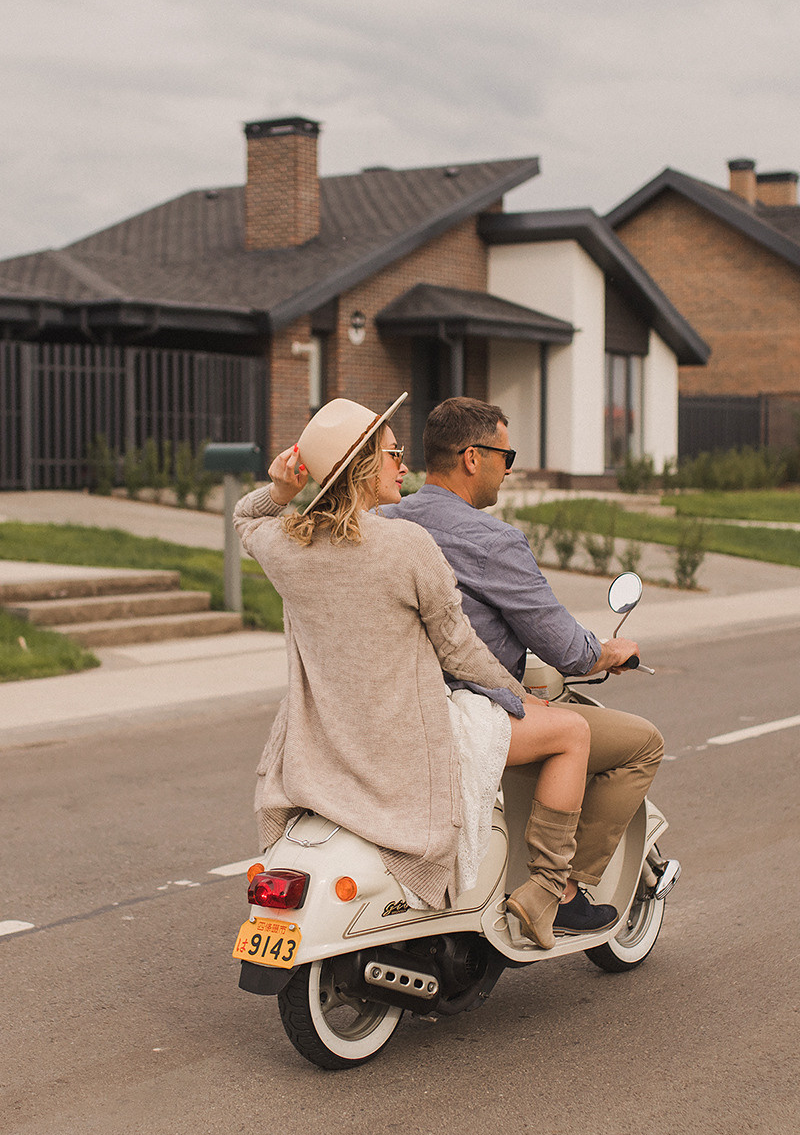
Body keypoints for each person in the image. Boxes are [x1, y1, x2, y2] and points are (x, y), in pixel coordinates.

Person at [235, 396, 594, 939]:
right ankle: (551, 894)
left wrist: (282, 492)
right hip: (407, 739)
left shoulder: (286, 544)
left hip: (327, 738)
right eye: (392, 454)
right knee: (571, 730)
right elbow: (461, 652)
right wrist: (520, 696)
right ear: (361, 467)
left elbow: (245, 517)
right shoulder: (405, 545)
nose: (404, 465)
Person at [381, 396, 666, 939]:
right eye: (506, 458)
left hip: (402, 709)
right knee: (640, 742)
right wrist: (613, 650)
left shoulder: (386, 519)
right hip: (473, 712)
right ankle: (561, 889)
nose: (510, 470)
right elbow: (567, 650)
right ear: (472, 457)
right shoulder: (494, 542)